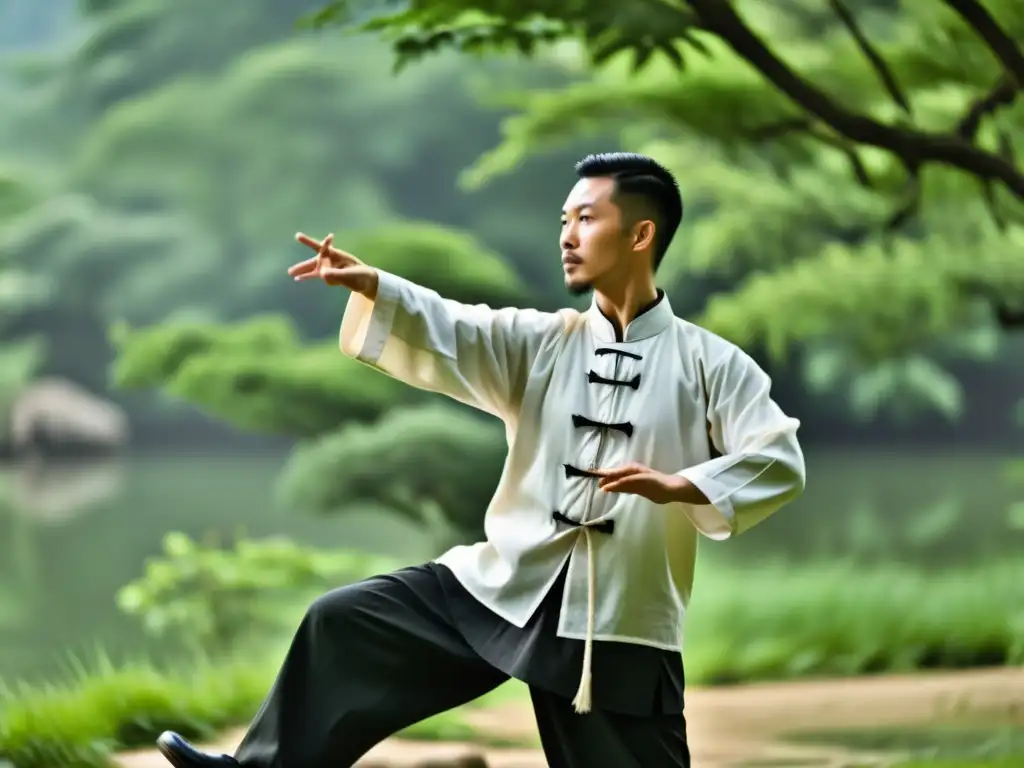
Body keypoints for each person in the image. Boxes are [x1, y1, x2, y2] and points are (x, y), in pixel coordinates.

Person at [155, 152, 806, 768]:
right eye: (563, 222)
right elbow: (455, 325)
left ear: (641, 235)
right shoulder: (543, 342)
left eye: (586, 219)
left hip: (617, 621)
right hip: (502, 586)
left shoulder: (711, 365)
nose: (568, 236)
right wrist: (377, 287)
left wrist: (681, 485)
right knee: (343, 622)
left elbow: (778, 457)